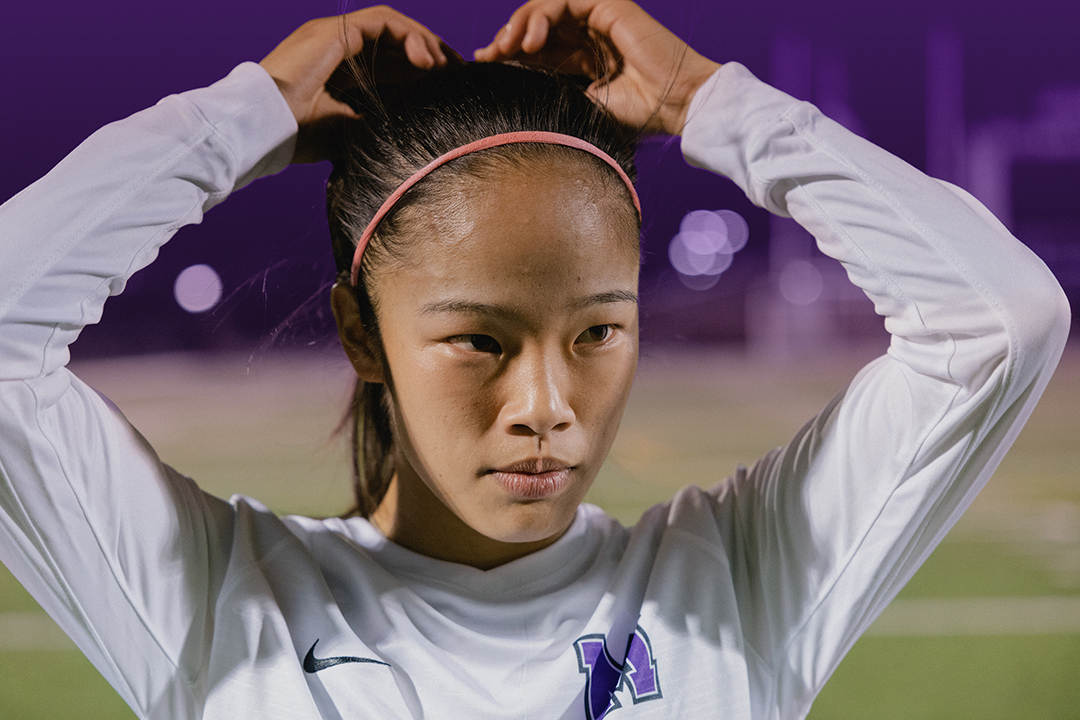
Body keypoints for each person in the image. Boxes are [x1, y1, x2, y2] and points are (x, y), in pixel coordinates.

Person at [0, 1, 1069, 718]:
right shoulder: (218, 605)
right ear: (363, 333)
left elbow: (999, 319)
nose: (548, 405)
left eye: (599, 332)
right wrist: (245, 114)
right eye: (480, 340)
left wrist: (708, 100)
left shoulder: (736, 587)